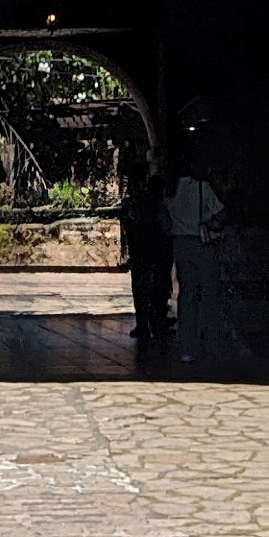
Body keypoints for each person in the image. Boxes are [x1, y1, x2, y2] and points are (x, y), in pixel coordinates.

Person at [164, 114, 233, 371]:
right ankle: (211, 344)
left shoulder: (170, 191)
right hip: (202, 244)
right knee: (210, 295)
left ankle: (186, 348)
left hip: (180, 245)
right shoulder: (202, 186)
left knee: (187, 296)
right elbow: (221, 212)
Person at [114, 108, 172, 357]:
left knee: (145, 287)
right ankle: (154, 323)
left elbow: (131, 224)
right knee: (156, 287)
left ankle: (147, 323)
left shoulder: (138, 204)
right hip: (155, 251)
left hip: (144, 250)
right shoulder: (154, 203)